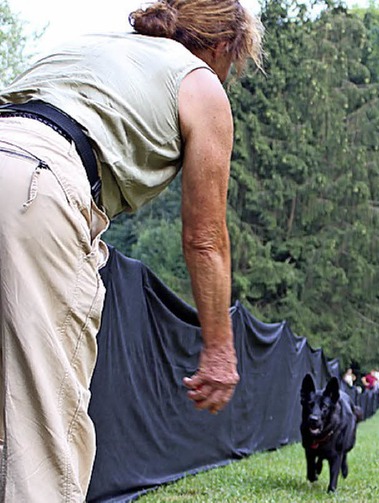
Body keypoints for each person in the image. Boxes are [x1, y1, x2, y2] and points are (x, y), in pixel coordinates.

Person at [0, 1, 263, 500]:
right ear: (226, 45)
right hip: (36, 189)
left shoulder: (92, 50)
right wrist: (219, 350)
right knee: (44, 434)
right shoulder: (200, 84)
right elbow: (204, 238)